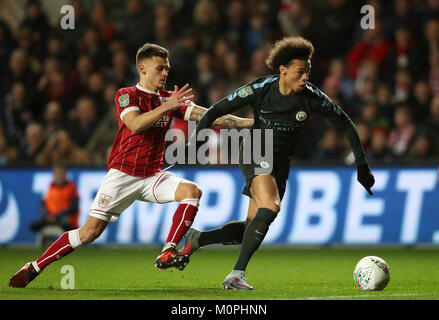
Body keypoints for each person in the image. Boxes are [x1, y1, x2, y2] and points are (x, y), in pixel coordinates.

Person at [9, 43, 253, 288]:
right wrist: (168, 107)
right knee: (89, 233)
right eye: (160, 68)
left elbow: (209, 115)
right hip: (122, 175)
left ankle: (168, 250)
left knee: (192, 191)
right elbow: (135, 124)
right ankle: (34, 267)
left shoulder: (169, 98)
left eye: (167, 68)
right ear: (142, 69)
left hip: (152, 176)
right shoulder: (126, 94)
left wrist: (248, 123)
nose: (165, 73)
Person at [180, 37, 375, 290]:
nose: (305, 77)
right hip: (255, 147)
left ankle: (198, 238)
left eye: (308, 71)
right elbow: (214, 110)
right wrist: (196, 143)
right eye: (300, 71)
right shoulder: (260, 89)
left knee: (251, 227)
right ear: (283, 69)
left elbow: (346, 124)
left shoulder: (312, 98)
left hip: (280, 162)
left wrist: (362, 164)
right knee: (271, 206)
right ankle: (236, 274)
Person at [29, 165, 80, 233]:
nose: (59, 176)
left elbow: (74, 208)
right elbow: (42, 205)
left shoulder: (71, 188)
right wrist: (46, 215)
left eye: (61, 174)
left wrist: (56, 216)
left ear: (65, 175)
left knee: (66, 224)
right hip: (49, 217)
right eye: (57, 174)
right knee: (33, 225)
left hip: (64, 217)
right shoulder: (49, 188)